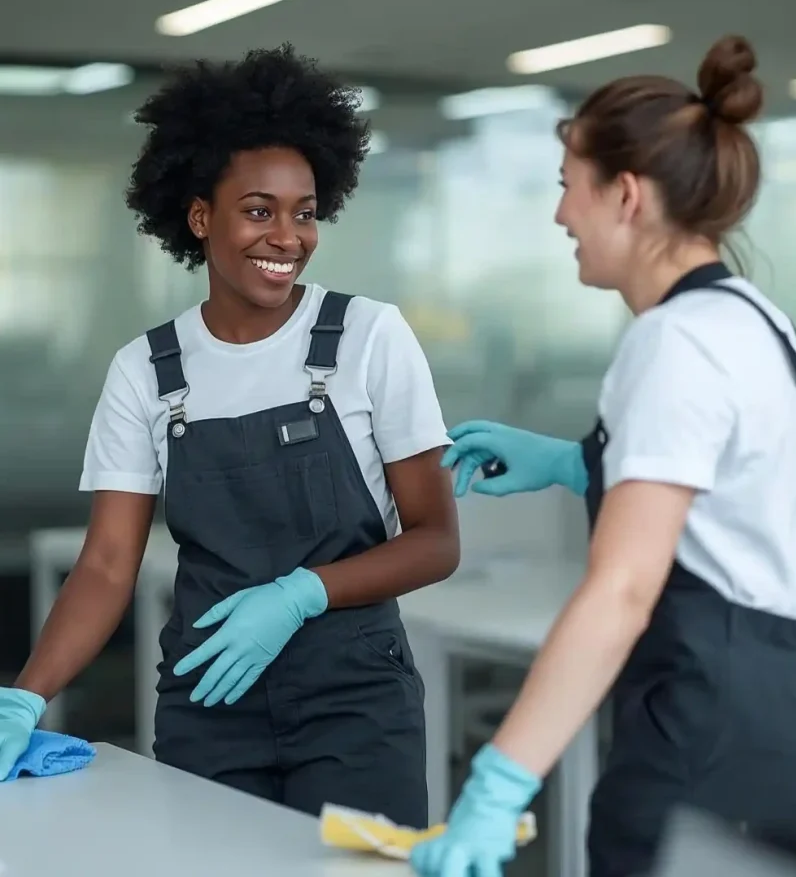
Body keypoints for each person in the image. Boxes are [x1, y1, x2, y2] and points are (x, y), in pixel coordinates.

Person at [410, 35, 796, 877]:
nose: (558, 217)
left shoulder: (671, 342)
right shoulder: (758, 318)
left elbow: (621, 592)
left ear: (624, 195)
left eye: (565, 188)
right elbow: (795, 527)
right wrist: (577, 464)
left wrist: (498, 784)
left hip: (704, 754)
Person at [0, 45, 460, 827]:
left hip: (355, 699)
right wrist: (24, 693)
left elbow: (435, 539)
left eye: (305, 211)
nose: (286, 236)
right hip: (210, 698)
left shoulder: (368, 337)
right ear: (200, 216)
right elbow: (108, 564)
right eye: (258, 209)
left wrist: (301, 592)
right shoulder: (147, 370)